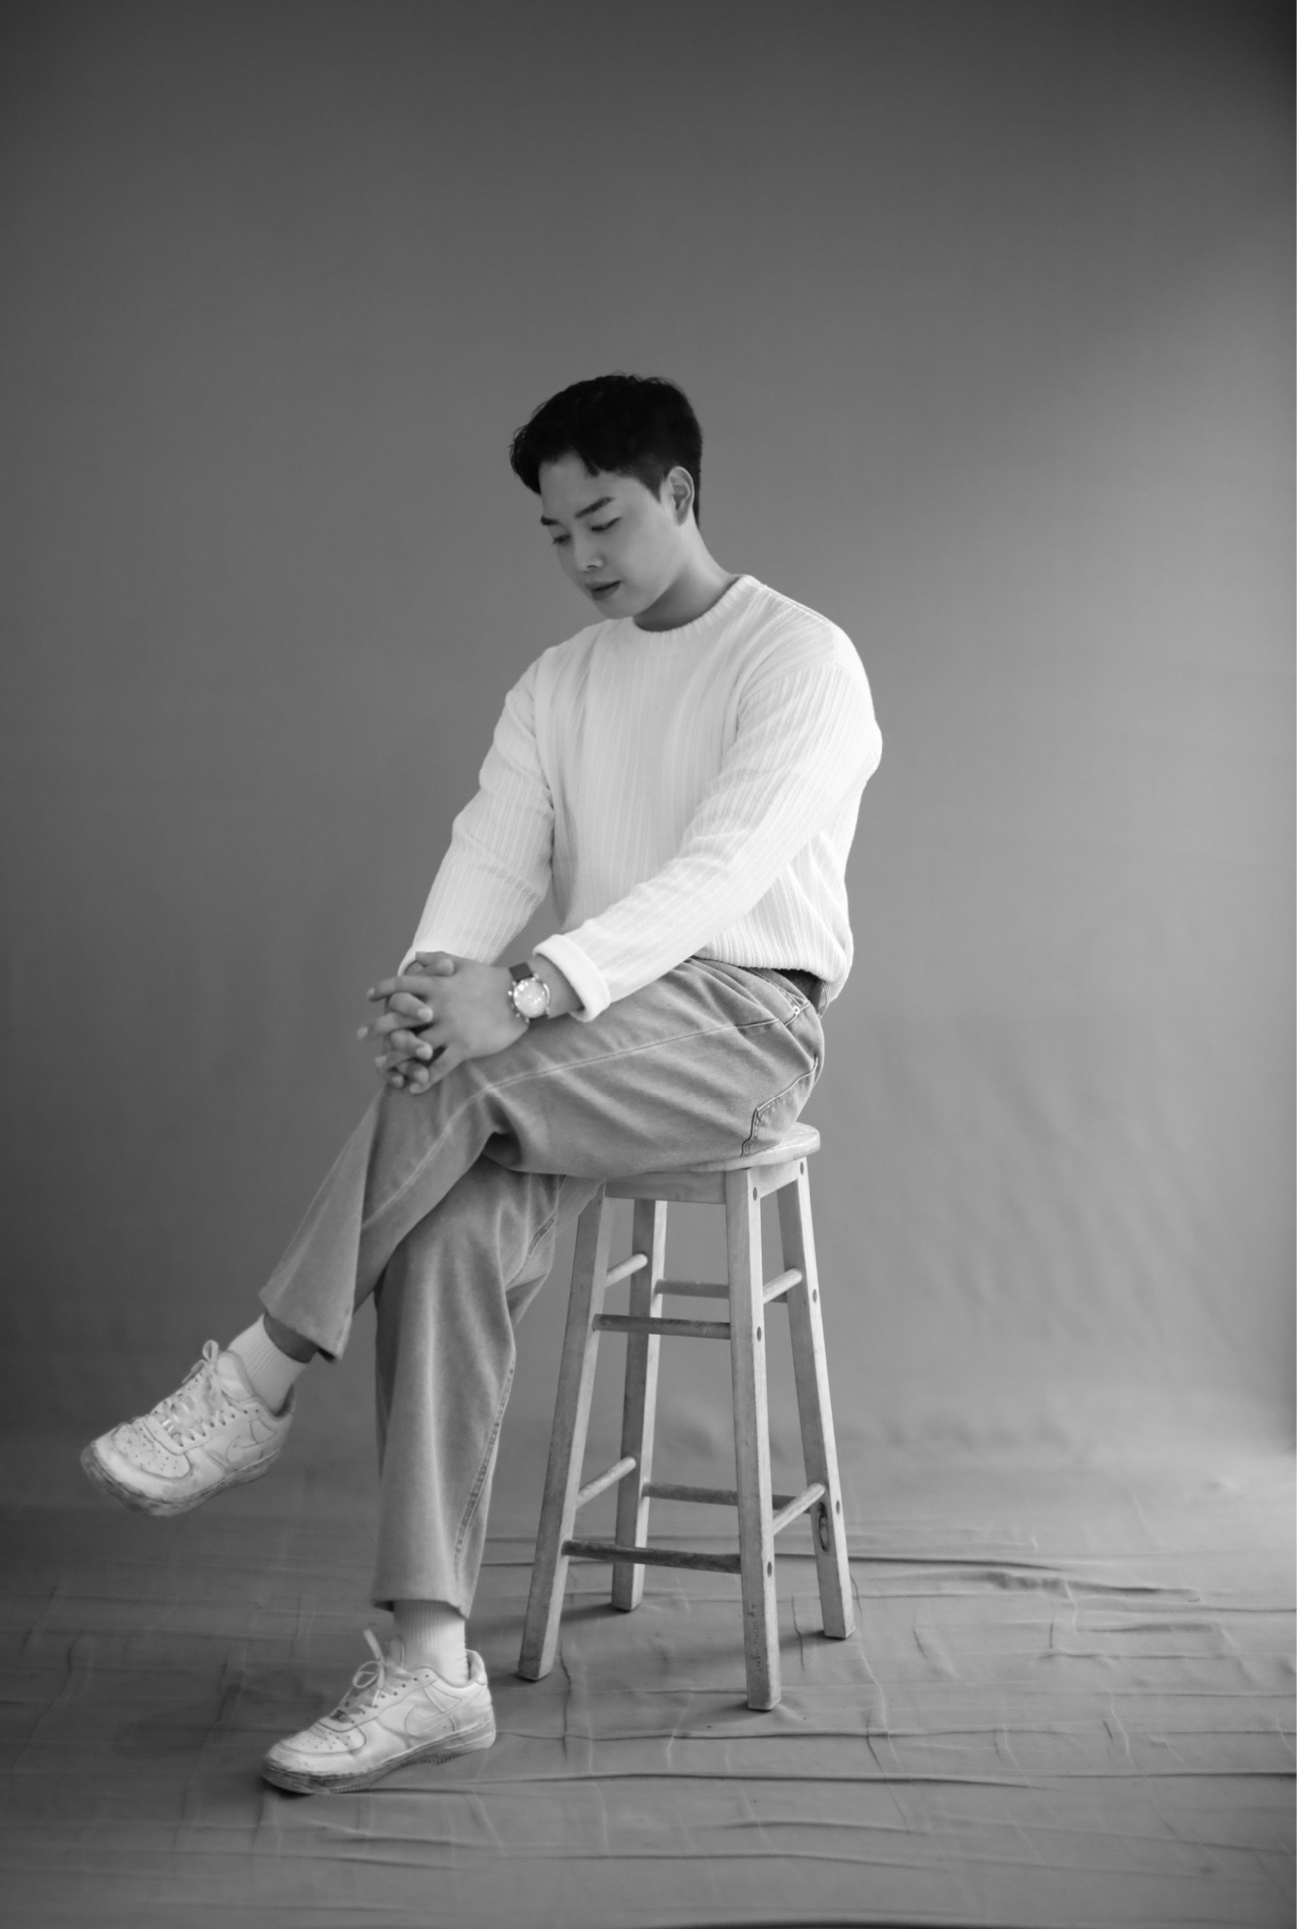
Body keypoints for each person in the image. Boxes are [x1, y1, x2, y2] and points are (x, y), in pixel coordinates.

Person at [81, 373, 883, 1793]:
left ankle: (257, 1376)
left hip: (740, 1025)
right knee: (445, 1228)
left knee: (464, 1073)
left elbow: (722, 872)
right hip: (581, 1030)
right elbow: (494, 850)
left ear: (679, 494)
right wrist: (430, 990)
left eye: (604, 520)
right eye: (555, 532)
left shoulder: (799, 658)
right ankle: (431, 1665)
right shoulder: (558, 681)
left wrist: (514, 997)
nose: (581, 556)